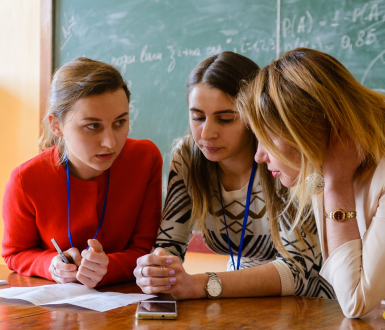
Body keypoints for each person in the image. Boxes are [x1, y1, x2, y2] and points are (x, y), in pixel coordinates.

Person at [134, 52, 334, 300]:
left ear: (254, 115)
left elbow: (300, 271)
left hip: (312, 303)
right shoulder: (187, 156)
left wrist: (201, 284)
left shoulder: (282, 157)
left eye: (226, 119)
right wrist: (157, 268)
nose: (206, 133)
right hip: (236, 297)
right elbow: (169, 244)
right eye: (197, 117)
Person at [237, 47, 385, 318]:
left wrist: (337, 185)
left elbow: (355, 302)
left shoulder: (336, 177)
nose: (258, 155)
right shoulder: (320, 172)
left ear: (304, 128)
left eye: (266, 137)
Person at [2, 57, 162, 288]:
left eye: (120, 122)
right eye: (93, 126)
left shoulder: (145, 159)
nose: (110, 142)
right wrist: (51, 265)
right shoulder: (25, 179)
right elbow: (15, 253)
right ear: (56, 125)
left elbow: (146, 249)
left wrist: (110, 266)